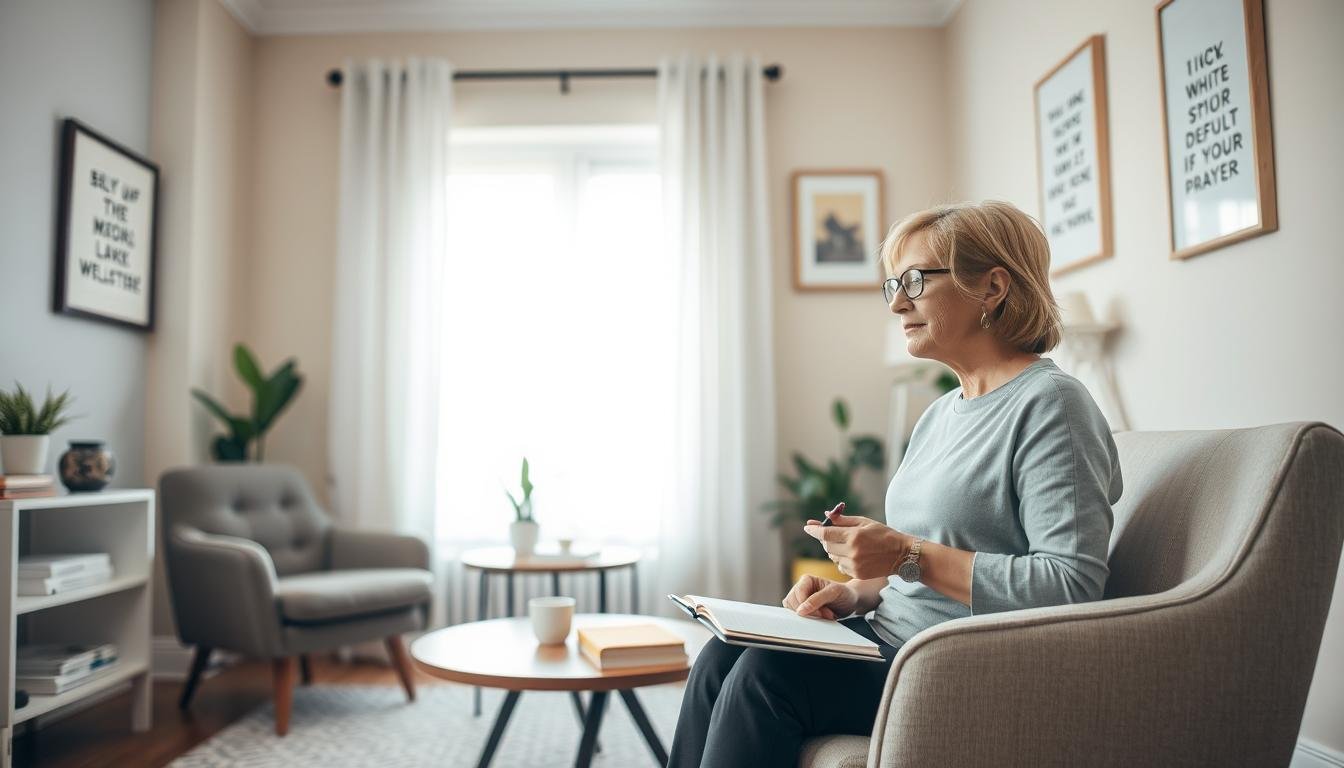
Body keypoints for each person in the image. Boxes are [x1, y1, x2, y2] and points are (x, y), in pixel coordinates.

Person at [666, 200, 1123, 767]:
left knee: (769, 674)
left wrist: (907, 553)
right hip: (894, 638)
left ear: (992, 287)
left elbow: (1071, 587)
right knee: (719, 657)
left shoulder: (1052, 405)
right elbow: (923, 571)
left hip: (967, 662)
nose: (898, 303)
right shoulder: (941, 413)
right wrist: (853, 592)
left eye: (916, 281)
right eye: (893, 285)